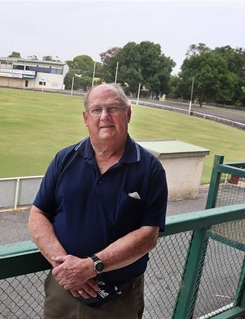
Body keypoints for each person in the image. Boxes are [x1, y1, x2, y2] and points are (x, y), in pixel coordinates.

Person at [28, 84, 168, 319]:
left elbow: (148, 236)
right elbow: (38, 214)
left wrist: (90, 267)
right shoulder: (64, 159)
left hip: (118, 299)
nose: (104, 116)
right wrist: (68, 271)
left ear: (128, 114)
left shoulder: (150, 169)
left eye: (113, 108)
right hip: (63, 292)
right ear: (86, 118)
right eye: (96, 110)